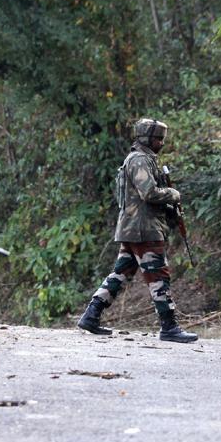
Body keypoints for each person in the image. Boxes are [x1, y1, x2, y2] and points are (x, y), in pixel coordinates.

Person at [76, 118, 198, 344]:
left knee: (121, 273)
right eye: (158, 138)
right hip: (144, 229)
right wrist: (173, 194)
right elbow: (148, 193)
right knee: (158, 275)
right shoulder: (140, 160)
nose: (162, 142)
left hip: (135, 227)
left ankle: (91, 316)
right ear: (146, 138)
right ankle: (169, 327)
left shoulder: (141, 159)